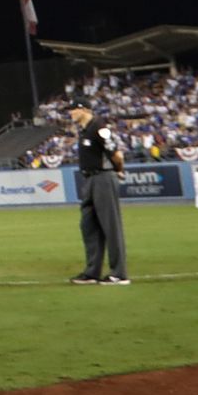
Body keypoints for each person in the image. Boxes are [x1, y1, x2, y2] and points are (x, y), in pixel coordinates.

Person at [66, 99, 129, 285]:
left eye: (72, 109)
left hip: (103, 178)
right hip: (89, 179)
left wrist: (118, 170)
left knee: (111, 226)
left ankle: (119, 273)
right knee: (88, 226)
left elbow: (116, 154)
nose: (70, 113)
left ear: (84, 109)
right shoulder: (84, 130)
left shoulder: (99, 127)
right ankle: (92, 272)